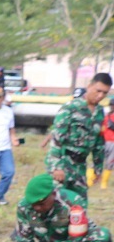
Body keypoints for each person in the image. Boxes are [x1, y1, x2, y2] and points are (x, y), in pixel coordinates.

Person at [46, 73, 111, 202]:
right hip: (63, 163)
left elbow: (98, 142)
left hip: (80, 167)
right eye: (98, 91)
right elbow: (57, 139)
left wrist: (98, 168)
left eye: (105, 93)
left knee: (79, 207)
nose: (100, 96)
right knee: (57, 204)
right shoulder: (70, 108)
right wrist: (56, 167)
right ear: (89, 86)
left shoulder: (99, 112)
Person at [101, 109, 114, 190]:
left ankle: (104, 183)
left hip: (112, 142)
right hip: (104, 141)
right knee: (98, 161)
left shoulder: (106, 116)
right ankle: (91, 180)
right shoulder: (106, 116)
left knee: (110, 162)